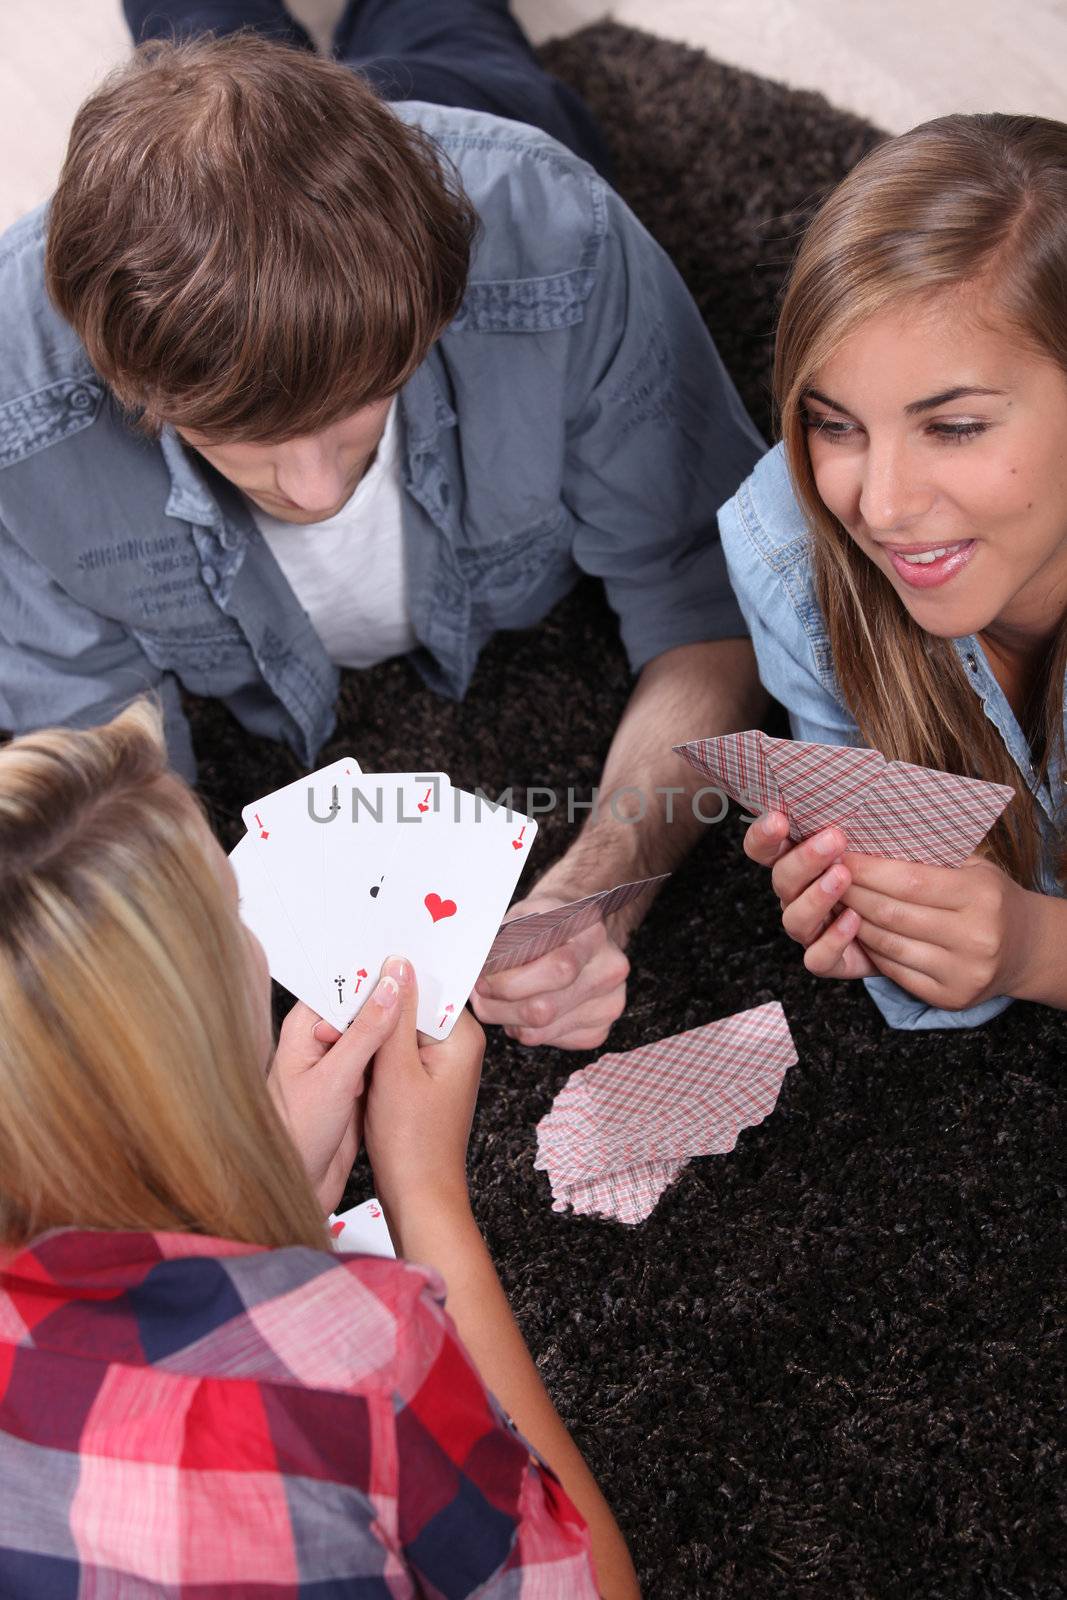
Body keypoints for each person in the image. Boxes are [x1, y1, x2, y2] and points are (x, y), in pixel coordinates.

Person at [0, 6, 767, 1054]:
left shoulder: (554, 234)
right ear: (129, 384)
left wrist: (597, 890)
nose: (314, 492)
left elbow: (709, 595)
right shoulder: (17, 411)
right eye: (248, 440)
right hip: (223, 183)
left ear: (432, 315)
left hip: (463, 106)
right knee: (201, 34)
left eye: (359, 409)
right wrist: (219, 1002)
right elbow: (102, 764)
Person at [0, 699, 640, 1597]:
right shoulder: (355, 1357)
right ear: (191, 1026)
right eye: (234, 909)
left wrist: (255, 1214)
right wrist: (425, 1194)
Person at [717, 112, 1067, 1031]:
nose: (877, 507)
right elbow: (928, 984)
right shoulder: (790, 541)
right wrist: (880, 915)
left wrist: (1036, 947)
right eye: (836, 425)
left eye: (953, 427)